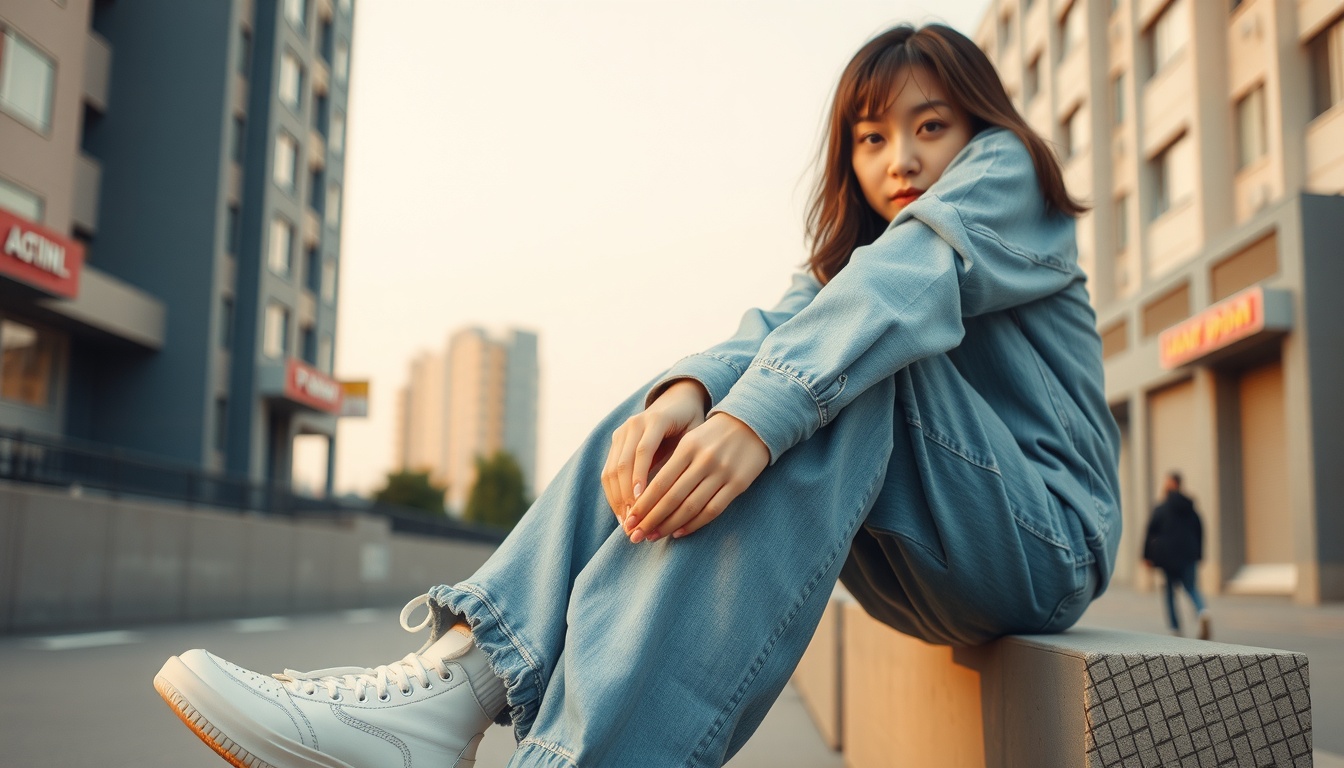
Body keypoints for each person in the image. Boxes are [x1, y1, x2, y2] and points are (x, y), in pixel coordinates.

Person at [152, 22, 1121, 768]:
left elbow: (905, 287)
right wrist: (687, 396)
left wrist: (760, 412)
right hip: (933, 563)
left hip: (1045, 544)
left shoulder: (1010, 178)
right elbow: (766, 334)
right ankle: (457, 684)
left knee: (840, 372)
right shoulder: (852, 270)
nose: (899, 160)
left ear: (976, 128)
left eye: (929, 127)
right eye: (872, 139)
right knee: (726, 386)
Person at [1143, 471, 1211, 640]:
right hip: (1189, 555)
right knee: (1191, 587)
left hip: (1168, 557)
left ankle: (1175, 629)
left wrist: (1146, 555)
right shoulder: (1190, 508)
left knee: (1170, 593)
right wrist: (1199, 553)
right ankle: (1202, 611)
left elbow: (1150, 532)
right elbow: (1200, 530)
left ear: (1171, 484)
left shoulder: (1162, 508)